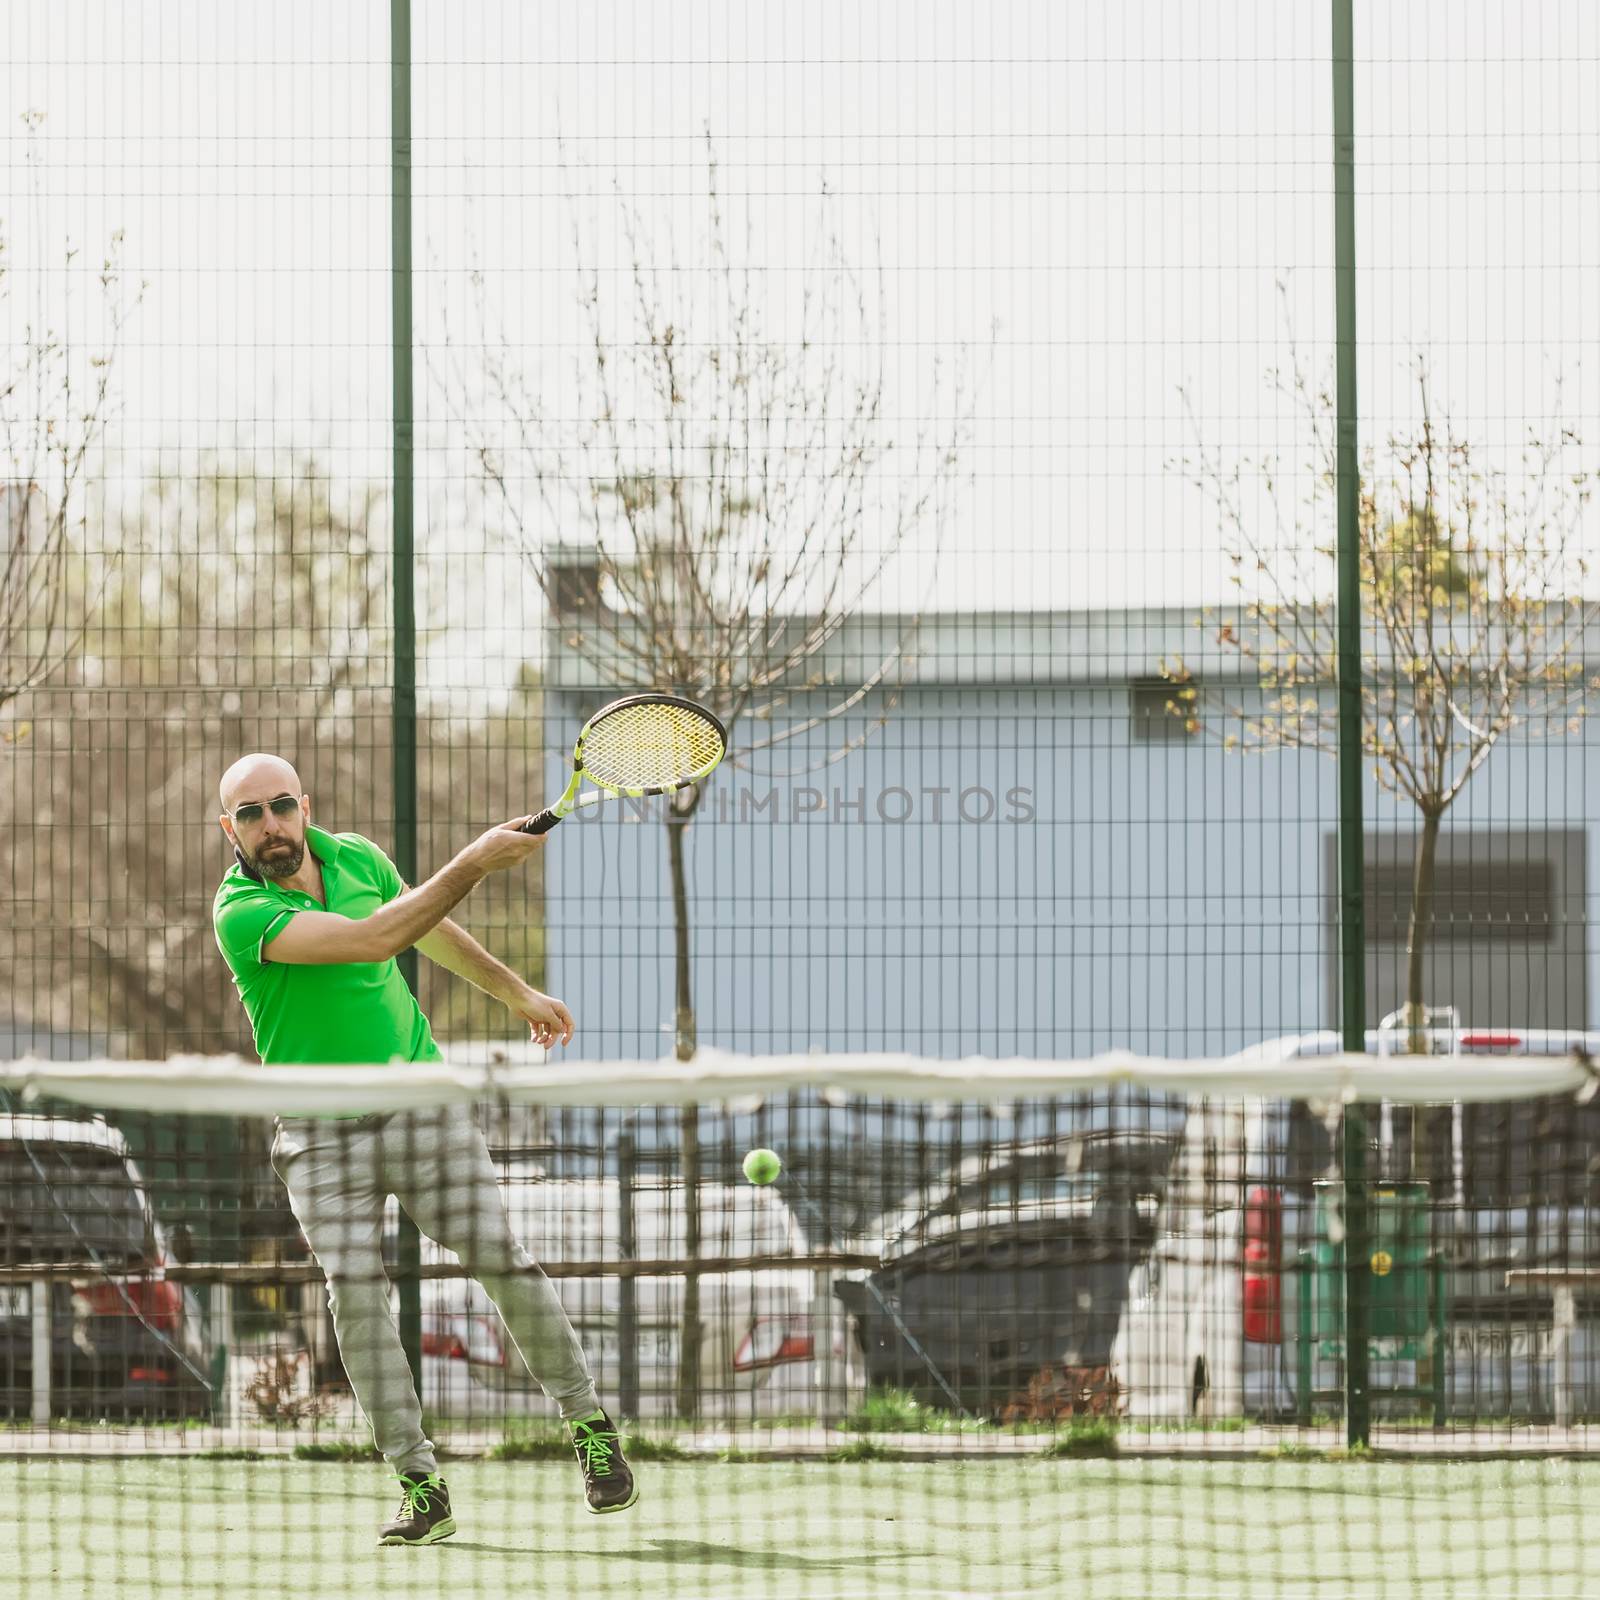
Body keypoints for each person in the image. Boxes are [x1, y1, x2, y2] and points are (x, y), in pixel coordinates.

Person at [211, 752, 637, 1546]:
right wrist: (476, 857)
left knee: (500, 1257)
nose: (269, 825)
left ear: (304, 805)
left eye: (279, 806)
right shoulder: (240, 912)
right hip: (319, 1133)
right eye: (249, 814)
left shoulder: (359, 857)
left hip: (422, 1104)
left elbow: (426, 929)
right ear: (228, 828)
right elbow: (378, 940)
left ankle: (589, 1427)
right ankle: (418, 1479)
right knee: (356, 1291)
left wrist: (517, 992)